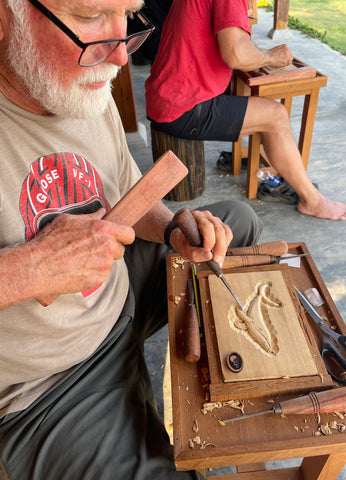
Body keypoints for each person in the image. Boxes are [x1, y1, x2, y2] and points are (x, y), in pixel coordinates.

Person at [0, 1, 263, 479]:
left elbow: (126, 193)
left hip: (119, 295)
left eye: (128, 14)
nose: (121, 56)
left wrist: (171, 228)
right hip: (47, 382)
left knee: (237, 223)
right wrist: (28, 269)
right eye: (89, 16)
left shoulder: (82, 82)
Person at [145, 0, 346, 221]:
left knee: (250, 91)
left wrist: (256, 54)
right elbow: (236, 53)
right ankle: (312, 201)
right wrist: (272, 56)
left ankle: (268, 159)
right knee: (276, 116)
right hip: (180, 106)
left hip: (169, 94)